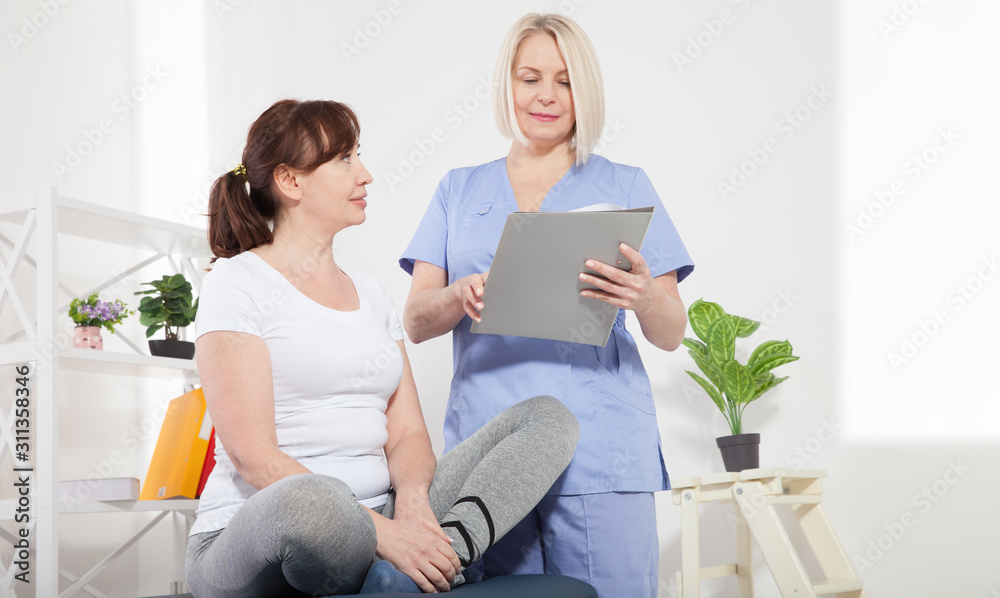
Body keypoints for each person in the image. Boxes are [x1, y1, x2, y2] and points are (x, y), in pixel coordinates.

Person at [185, 99, 579, 597]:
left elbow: (408, 431)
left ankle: (439, 555)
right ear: (290, 181)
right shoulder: (237, 282)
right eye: (345, 160)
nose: (366, 174)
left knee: (547, 417)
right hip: (271, 525)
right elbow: (253, 457)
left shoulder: (371, 294)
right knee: (314, 500)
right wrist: (386, 534)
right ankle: (406, 566)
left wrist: (412, 501)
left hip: (381, 513)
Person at [400, 14, 694, 597]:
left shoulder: (626, 184)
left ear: (585, 91)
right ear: (506, 85)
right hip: (491, 454)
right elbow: (415, 320)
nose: (546, 95)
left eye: (564, 80)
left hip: (599, 448)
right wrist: (459, 296)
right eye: (530, 77)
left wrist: (643, 296)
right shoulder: (458, 190)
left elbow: (671, 330)